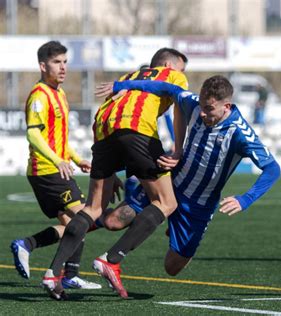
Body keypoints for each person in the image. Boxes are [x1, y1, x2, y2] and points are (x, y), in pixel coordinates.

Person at [94, 75, 281, 297]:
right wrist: (120, 85)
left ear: (226, 106)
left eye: (209, 109)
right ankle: (80, 223)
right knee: (114, 221)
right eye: (202, 106)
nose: (202, 113)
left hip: (199, 206)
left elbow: (273, 169)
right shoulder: (194, 105)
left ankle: (167, 226)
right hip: (171, 184)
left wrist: (245, 199)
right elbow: (165, 87)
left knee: (172, 267)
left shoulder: (240, 133)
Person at [41, 48, 189, 300]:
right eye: (181, 68)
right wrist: (178, 149)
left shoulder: (127, 76)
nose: (182, 74)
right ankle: (112, 259)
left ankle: (53, 273)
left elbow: (97, 121)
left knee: (93, 208)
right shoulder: (172, 75)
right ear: (167, 64)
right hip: (137, 130)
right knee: (166, 202)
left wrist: (110, 166)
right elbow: (180, 110)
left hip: (104, 133)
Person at [10, 41, 101, 290]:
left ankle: (30, 247)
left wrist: (74, 157)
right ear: (43, 65)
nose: (63, 67)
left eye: (65, 62)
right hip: (47, 171)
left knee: (73, 225)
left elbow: (57, 137)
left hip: (56, 167)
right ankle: (64, 271)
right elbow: (34, 135)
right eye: (56, 62)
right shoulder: (39, 96)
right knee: (86, 217)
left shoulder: (59, 93)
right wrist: (58, 160)